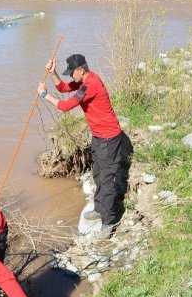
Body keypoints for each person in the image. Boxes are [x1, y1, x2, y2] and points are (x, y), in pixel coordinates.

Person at [37, 54, 133, 238]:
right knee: (97, 173)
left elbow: (65, 106)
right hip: (98, 136)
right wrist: (53, 73)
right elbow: (64, 88)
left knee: (106, 179)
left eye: (72, 73)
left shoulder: (91, 85)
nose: (71, 76)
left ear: (81, 70)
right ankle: (99, 208)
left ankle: (108, 221)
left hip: (109, 138)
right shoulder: (83, 80)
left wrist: (44, 94)